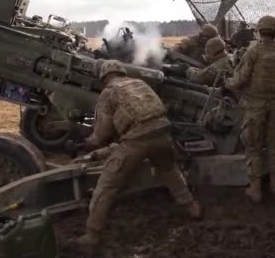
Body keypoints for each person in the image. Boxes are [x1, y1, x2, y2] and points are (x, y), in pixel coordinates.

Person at [74, 60, 201, 250]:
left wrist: (86, 143)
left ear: (104, 77)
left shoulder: (108, 93)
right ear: (122, 71)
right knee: (170, 170)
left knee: (106, 186)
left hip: (137, 140)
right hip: (163, 134)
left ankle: (92, 234)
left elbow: (101, 134)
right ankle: (192, 208)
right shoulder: (141, 84)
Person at [225, 15, 275, 202]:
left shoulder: (253, 52)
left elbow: (240, 79)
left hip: (254, 108)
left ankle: (255, 190)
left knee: (254, 147)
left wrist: (228, 83)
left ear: (259, 32)